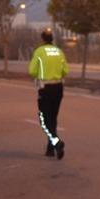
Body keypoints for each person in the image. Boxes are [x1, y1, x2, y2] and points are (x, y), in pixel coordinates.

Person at [28, 28, 68, 159]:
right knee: (53, 118)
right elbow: (65, 71)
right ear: (52, 39)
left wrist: (39, 75)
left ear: (42, 39)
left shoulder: (39, 52)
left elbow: (32, 71)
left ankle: (57, 143)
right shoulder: (59, 52)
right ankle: (50, 149)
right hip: (58, 88)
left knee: (43, 120)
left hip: (45, 89)